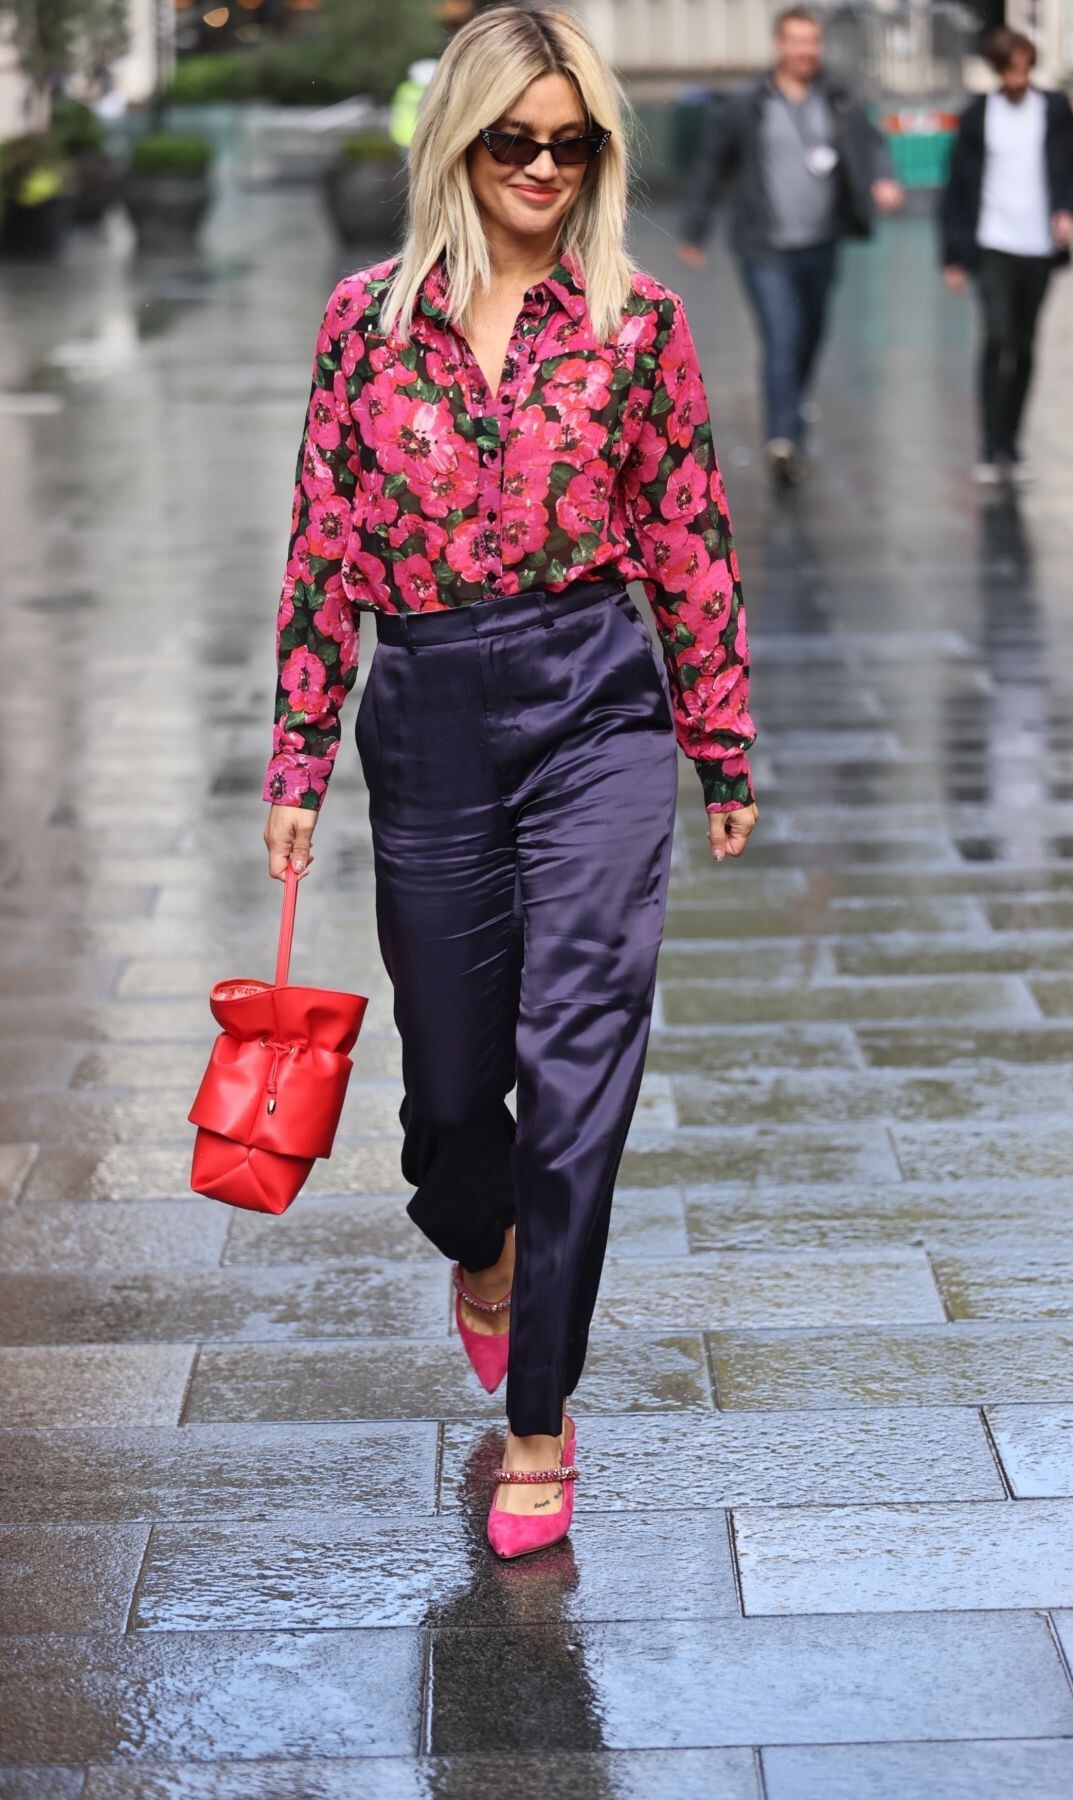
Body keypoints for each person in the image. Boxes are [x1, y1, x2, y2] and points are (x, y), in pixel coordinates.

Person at [261, 5, 757, 1560]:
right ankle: (480, 1245)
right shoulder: (365, 321)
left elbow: (687, 531)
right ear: (458, 145)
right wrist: (298, 754)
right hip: (426, 714)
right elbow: (323, 538)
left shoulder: (637, 322)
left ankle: (540, 1419)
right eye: (513, 142)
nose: (544, 168)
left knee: (580, 1052)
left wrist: (719, 739)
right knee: (450, 1093)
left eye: (572, 144)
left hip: (594, 704)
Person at [678, 4, 903, 487]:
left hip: (821, 243)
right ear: (780, 45)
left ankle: (793, 416)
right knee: (782, 338)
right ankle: (781, 438)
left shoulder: (838, 96)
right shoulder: (748, 103)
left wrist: (882, 179)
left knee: (809, 338)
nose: (806, 51)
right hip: (765, 247)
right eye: (797, 41)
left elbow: (871, 142)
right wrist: (695, 229)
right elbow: (712, 165)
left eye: (813, 41)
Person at [940, 28, 1073, 485]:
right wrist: (953, 256)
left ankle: (1012, 443)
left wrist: (1070, 212)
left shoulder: (1055, 110)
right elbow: (957, 188)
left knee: (1024, 345)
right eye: (1009, 69)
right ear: (997, 70)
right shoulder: (977, 117)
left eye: (1023, 69)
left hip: (1039, 246)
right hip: (992, 243)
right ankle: (990, 444)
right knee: (998, 336)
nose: (1017, 78)